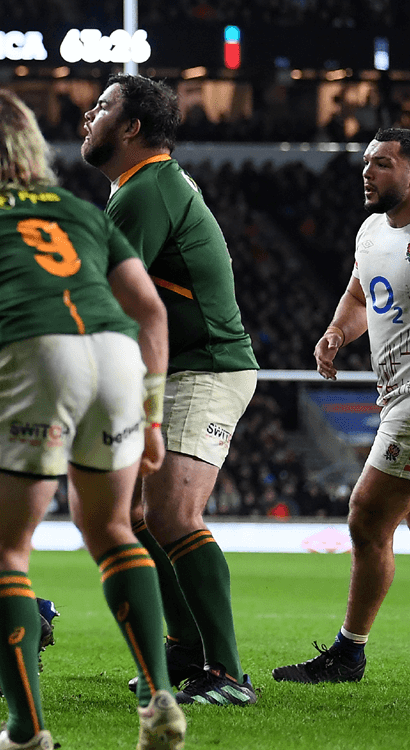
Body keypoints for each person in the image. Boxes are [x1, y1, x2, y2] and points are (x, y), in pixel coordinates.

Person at [0, 88, 180, 750]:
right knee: (111, 533)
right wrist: (152, 418)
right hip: (116, 359)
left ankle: (24, 730)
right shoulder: (76, 208)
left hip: (32, 355)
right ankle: (158, 699)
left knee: (2, 553)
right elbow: (150, 311)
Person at [82, 75, 259, 705]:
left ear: (131, 128)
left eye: (101, 107)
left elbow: (102, 298)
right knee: (137, 516)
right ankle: (185, 647)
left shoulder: (146, 189)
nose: (88, 115)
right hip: (174, 366)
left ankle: (229, 674)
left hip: (204, 365)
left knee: (174, 515)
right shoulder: (145, 186)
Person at [274, 128, 410, 686]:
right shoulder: (372, 229)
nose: (367, 172)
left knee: (367, 514)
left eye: (381, 163)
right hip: (397, 391)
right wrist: (336, 331)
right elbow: (359, 293)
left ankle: (348, 653)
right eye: (366, 162)